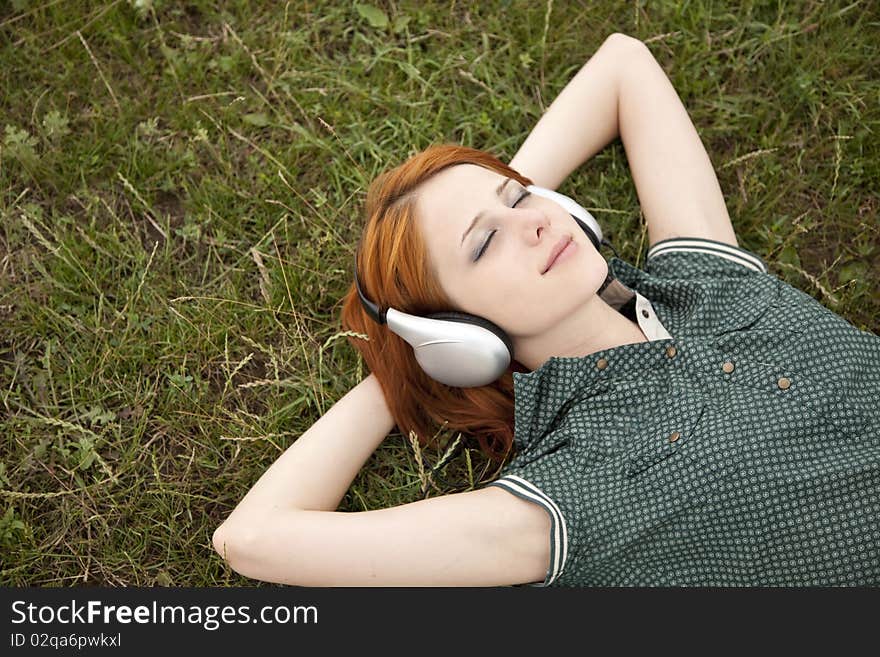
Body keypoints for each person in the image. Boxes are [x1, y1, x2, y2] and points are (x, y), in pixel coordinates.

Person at [212, 33, 880, 586]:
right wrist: (403, 362)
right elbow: (252, 536)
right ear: (455, 334)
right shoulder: (570, 491)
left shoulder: (701, 279)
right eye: (483, 243)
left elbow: (624, 64)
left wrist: (505, 200)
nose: (531, 223)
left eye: (519, 198)